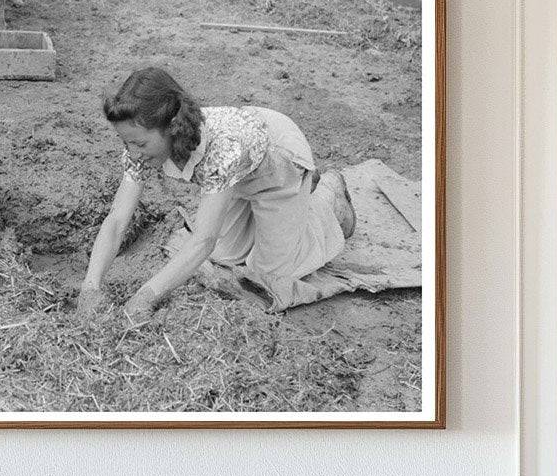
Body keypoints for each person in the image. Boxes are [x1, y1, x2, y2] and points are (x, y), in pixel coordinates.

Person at [77, 67, 355, 321]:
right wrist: (90, 287)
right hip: (237, 175)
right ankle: (271, 213)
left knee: (269, 275)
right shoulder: (141, 146)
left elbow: (202, 242)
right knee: (225, 256)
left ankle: (326, 200)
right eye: (126, 142)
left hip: (279, 162)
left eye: (138, 143)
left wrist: (146, 296)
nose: (132, 152)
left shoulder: (222, 150)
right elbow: (117, 220)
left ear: (172, 128)